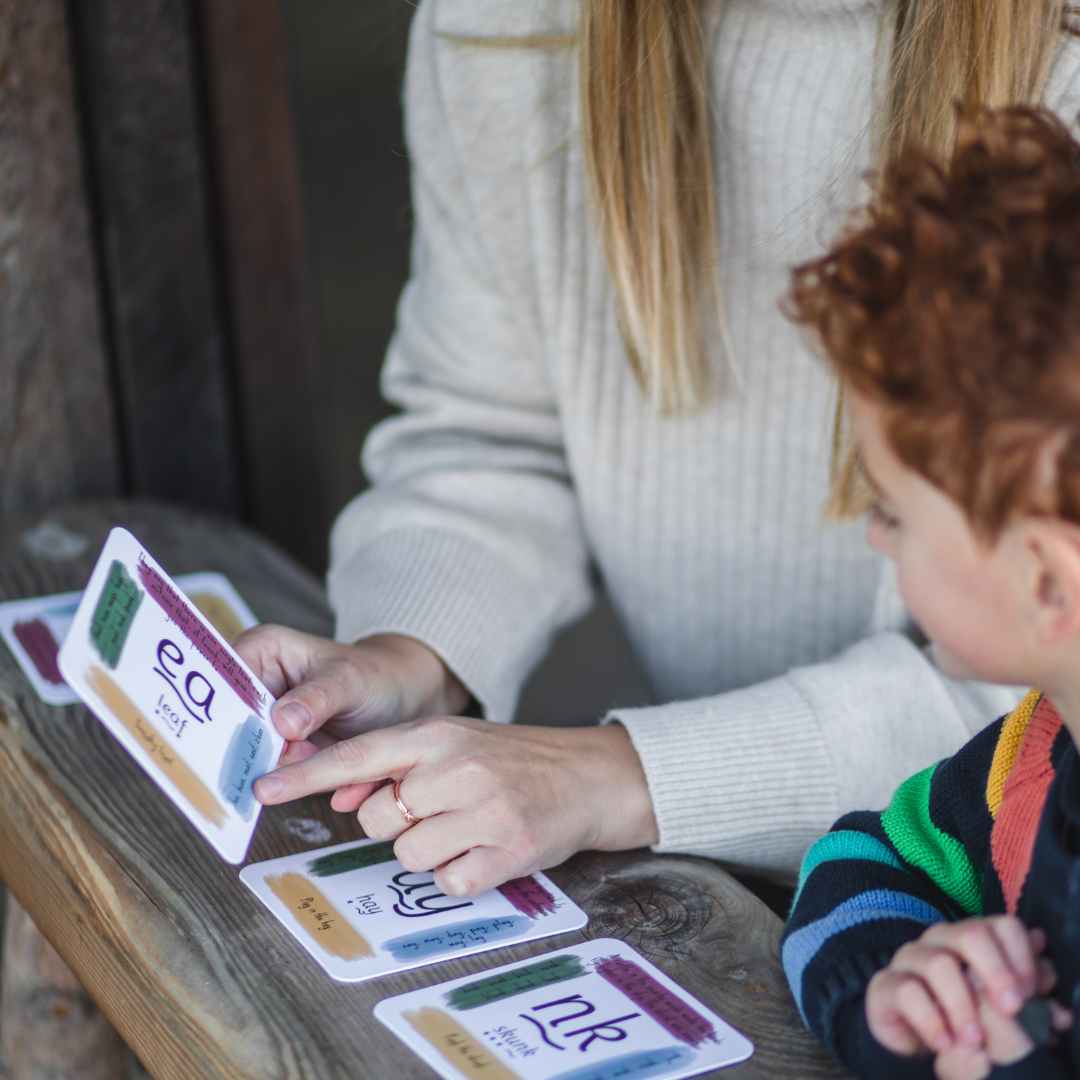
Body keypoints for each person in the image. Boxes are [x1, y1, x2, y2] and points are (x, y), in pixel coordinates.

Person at [244, 1, 1080, 899]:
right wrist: (411, 651)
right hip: (725, 882)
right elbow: (488, 433)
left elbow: (1048, 684)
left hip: (993, 891)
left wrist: (620, 777)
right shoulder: (506, 23)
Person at [782, 106, 1080, 1078]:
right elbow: (864, 862)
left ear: (1045, 577)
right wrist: (897, 989)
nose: (873, 534)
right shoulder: (1022, 765)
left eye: (896, 511)